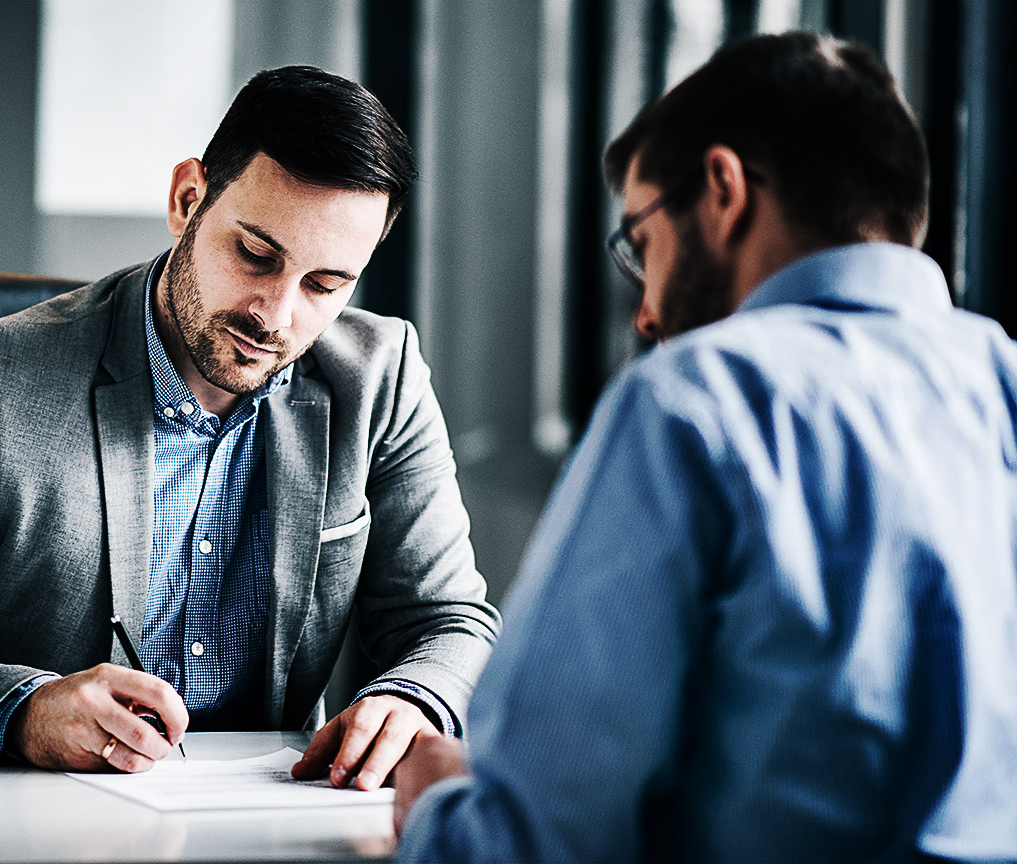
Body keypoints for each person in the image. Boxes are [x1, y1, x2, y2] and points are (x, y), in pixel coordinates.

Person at [0, 65, 500, 787]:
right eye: (255, 255)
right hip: (30, 824)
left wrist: (415, 698)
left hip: (274, 825)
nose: (276, 316)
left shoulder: (381, 378)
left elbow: (450, 622)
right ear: (188, 200)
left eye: (324, 285)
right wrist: (25, 712)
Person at [393, 32, 1017, 862]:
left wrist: (438, 800)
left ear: (723, 190)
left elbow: (534, 842)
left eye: (642, 242)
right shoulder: (1003, 382)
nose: (646, 312)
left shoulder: (693, 400)